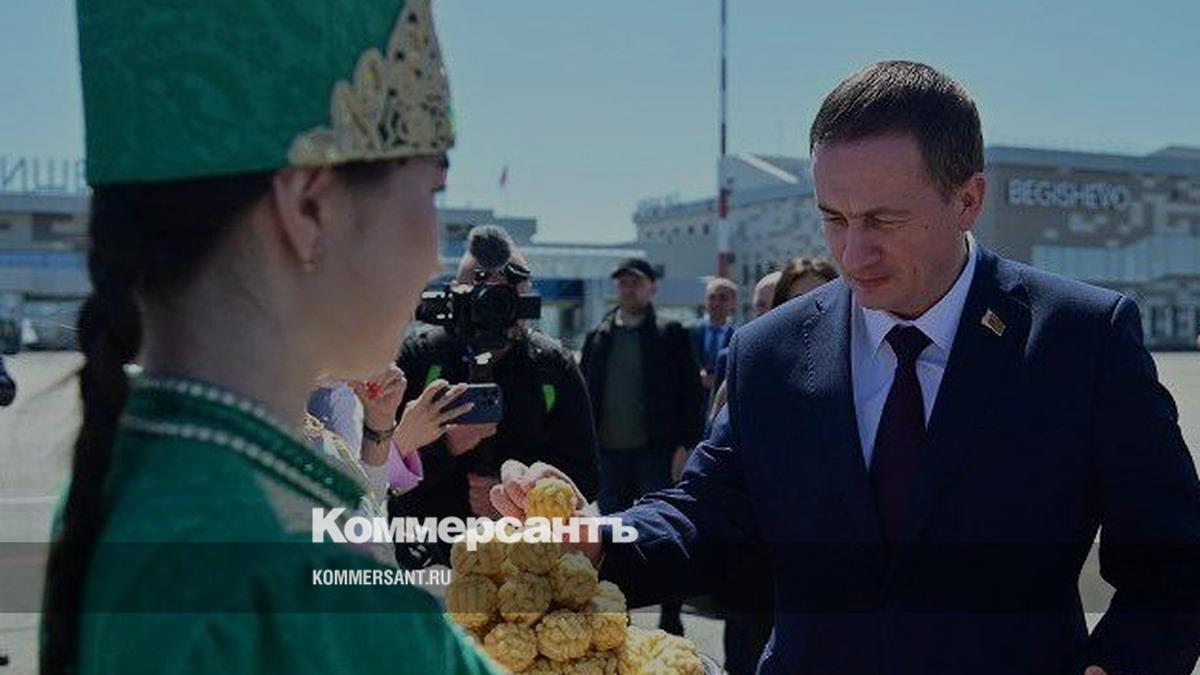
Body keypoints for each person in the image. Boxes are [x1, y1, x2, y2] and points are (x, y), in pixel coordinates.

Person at [494, 61, 1200, 674]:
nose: (853, 254)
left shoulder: (1080, 340)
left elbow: (1175, 562)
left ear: (968, 199)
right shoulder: (769, 350)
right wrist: (598, 536)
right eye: (834, 218)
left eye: (884, 221)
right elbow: (708, 513)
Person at [42, 1, 498, 674]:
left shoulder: (131, 473)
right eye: (433, 191)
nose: (437, 254)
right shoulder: (291, 584)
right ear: (311, 207)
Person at [390, 225, 599, 565]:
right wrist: (445, 448)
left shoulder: (551, 366)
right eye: (482, 293)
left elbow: (585, 474)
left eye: (504, 297)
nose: (492, 308)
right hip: (431, 550)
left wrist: (517, 499)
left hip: (525, 557)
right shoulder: (421, 358)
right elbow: (379, 465)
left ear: (525, 299)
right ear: (455, 295)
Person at [579, 256, 704, 635]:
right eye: (623, 282)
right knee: (612, 541)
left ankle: (671, 614)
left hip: (657, 453)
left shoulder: (670, 333)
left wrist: (686, 445)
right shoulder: (599, 336)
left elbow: (691, 394)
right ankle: (619, 615)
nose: (628, 288)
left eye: (636, 282)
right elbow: (584, 398)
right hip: (610, 457)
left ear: (652, 288)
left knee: (665, 534)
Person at [690, 277, 738, 393]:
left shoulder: (738, 337)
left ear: (733, 303)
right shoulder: (689, 332)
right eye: (712, 297)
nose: (716, 303)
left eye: (723, 298)